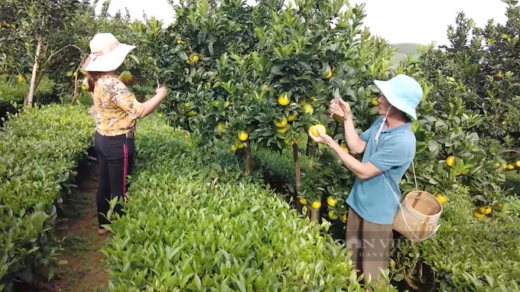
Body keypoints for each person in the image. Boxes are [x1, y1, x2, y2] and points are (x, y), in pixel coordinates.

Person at [308, 74, 422, 285]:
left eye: (382, 96)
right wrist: (347, 117)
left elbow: (363, 171)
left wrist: (331, 144)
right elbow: (357, 147)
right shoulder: (381, 123)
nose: (378, 99)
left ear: (395, 104)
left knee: (373, 276)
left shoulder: (403, 141)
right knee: (351, 266)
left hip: (377, 216)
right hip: (357, 203)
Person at [82, 33, 168, 235]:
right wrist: (160, 95)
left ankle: (103, 226)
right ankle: (120, 232)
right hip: (118, 142)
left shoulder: (95, 79)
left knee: (104, 183)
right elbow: (139, 111)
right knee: (120, 188)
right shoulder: (113, 83)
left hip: (102, 138)